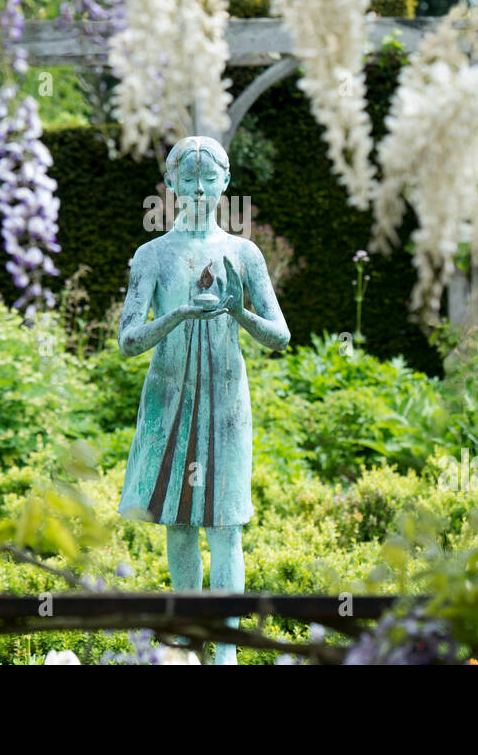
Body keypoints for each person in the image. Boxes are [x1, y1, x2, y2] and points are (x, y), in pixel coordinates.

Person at [117, 135, 290, 665]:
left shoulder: (243, 253)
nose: (197, 188)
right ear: (169, 185)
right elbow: (127, 340)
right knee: (179, 520)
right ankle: (190, 643)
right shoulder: (153, 255)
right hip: (168, 395)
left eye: (207, 178)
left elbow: (280, 336)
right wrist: (176, 317)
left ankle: (227, 652)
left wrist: (237, 313)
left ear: (225, 183)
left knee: (226, 523)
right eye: (186, 179)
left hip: (224, 397)